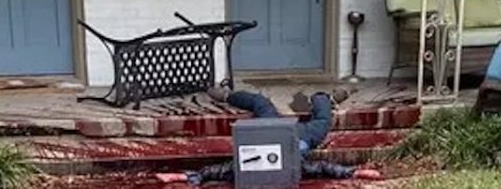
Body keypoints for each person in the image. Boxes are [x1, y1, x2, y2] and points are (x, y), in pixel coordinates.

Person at [155, 87, 383, 185]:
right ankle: (324, 99)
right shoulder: (292, 169)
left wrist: (182, 177)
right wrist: (356, 172)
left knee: (262, 103)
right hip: (297, 136)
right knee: (322, 121)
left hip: (267, 129)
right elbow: (322, 168)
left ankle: (228, 95)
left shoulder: (247, 169)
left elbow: (218, 170)